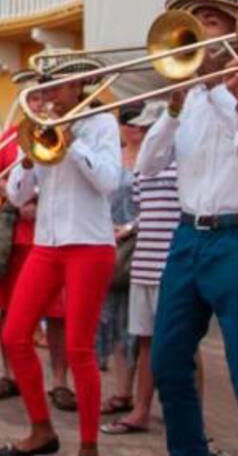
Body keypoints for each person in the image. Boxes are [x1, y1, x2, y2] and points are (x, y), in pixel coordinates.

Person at [139, 0, 238, 456]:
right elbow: (146, 165)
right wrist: (172, 106)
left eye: (208, 20)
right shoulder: (187, 97)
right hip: (187, 239)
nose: (198, 29)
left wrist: (229, 98)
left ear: (236, 30)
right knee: (168, 364)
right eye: (191, 22)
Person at [0, 57, 121, 456]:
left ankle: (88, 446)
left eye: (56, 86)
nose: (47, 93)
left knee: (79, 348)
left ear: (79, 86)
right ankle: (41, 430)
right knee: (15, 335)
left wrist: (72, 141)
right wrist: (28, 160)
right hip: (47, 244)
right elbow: (16, 196)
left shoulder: (101, 123)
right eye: (45, 87)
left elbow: (107, 181)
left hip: (90, 243)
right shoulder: (39, 126)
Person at [0, 69, 72, 408]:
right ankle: (11, 375)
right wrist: (14, 197)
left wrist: (39, 201)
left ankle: (60, 381)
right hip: (16, 236)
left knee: (58, 314)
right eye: (33, 97)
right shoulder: (14, 133)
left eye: (45, 96)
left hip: (55, 233)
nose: (39, 102)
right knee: (8, 307)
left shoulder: (68, 131)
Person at [101, 100, 184, 437]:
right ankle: (141, 410)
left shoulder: (183, 162)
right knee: (145, 340)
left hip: (174, 263)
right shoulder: (144, 168)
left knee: (184, 345)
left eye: (151, 127)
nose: (147, 133)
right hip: (143, 262)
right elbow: (141, 208)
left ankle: (182, 414)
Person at [96, 103, 140, 416]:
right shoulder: (113, 155)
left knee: (136, 322)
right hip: (109, 242)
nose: (134, 126)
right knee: (110, 317)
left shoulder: (156, 153)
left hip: (140, 243)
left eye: (139, 121)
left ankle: (136, 392)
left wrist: (130, 227)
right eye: (128, 120)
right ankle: (121, 390)